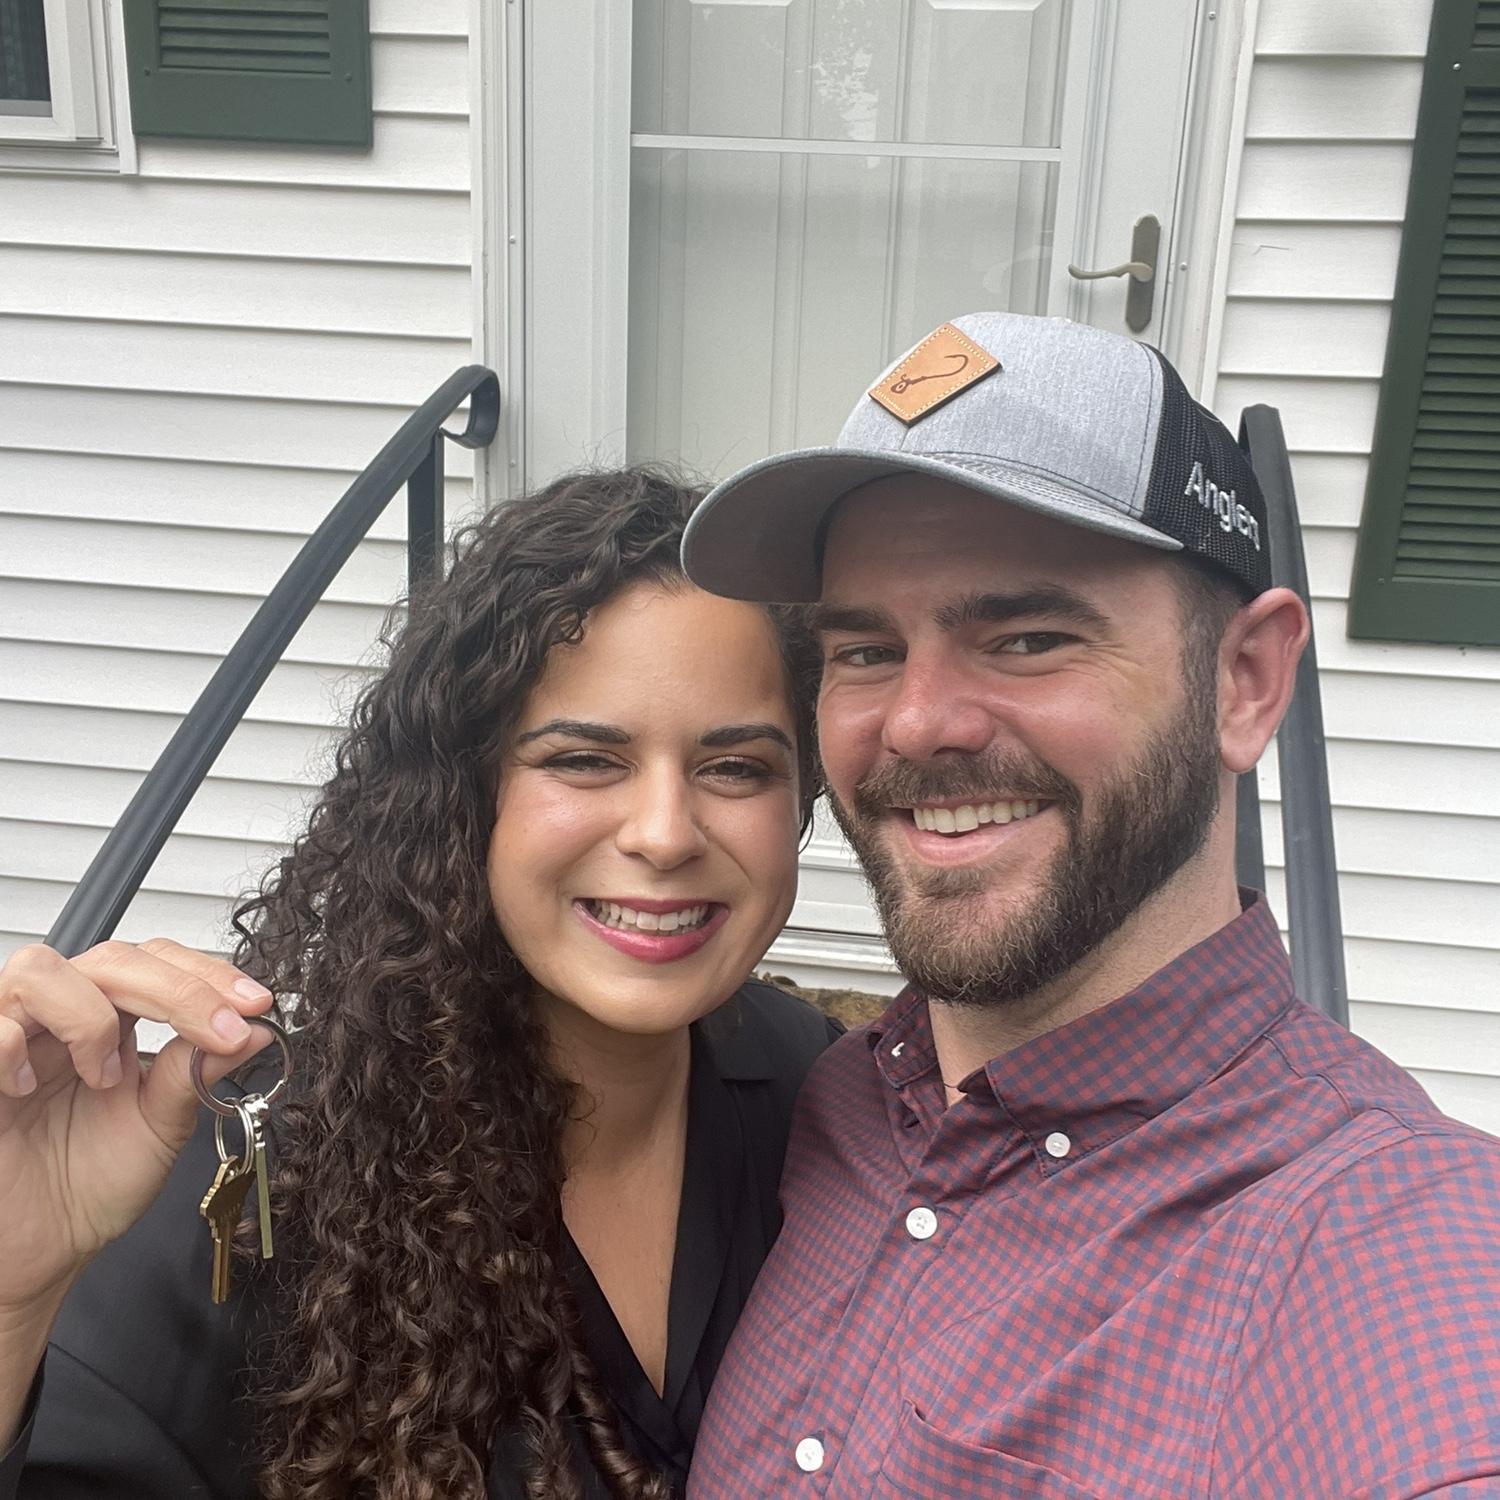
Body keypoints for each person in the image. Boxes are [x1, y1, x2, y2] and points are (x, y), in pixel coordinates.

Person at [678, 312, 1500, 1497]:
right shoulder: (843, 1102)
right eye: (864, 651)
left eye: (1026, 638)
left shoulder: (1382, 1247)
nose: (917, 721)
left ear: (1246, 681)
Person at [0, 468, 840, 1500]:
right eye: (584, 760)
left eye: (737, 767)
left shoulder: (825, 1096)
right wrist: (11, 1307)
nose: (666, 835)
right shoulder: (252, 1178)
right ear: (465, 796)